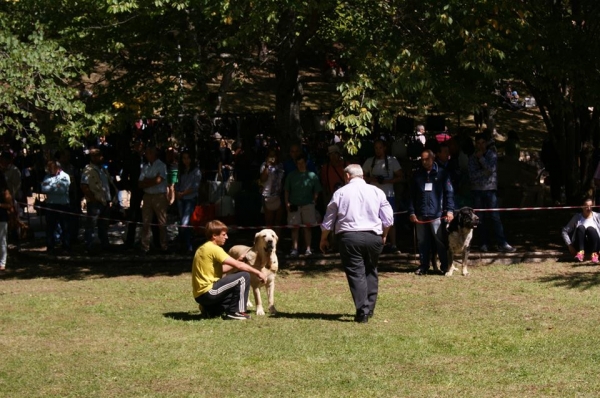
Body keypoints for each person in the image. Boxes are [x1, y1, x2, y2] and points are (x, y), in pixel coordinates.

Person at [319, 164, 394, 323]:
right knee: (371, 270)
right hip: (374, 236)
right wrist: (385, 235)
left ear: (347, 176)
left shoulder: (340, 193)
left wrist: (323, 238)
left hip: (349, 238)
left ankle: (362, 311)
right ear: (362, 175)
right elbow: (388, 218)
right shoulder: (377, 191)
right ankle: (370, 308)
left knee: (356, 273)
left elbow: (328, 220)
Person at [192, 220, 268, 320]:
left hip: (200, 296)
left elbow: (221, 269)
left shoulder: (203, 248)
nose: (226, 237)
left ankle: (209, 309)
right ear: (214, 235)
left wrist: (238, 260)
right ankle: (236, 312)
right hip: (209, 292)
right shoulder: (214, 249)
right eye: (223, 234)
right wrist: (258, 273)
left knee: (233, 295)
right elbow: (239, 266)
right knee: (243, 276)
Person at [408, 149, 455, 275]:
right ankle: (424, 266)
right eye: (422, 159)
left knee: (440, 240)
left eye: (427, 159)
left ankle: (445, 266)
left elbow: (449, 193)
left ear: (433, 159)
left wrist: (449, 210)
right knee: (422, 241)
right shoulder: (417, 175)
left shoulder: (443, 174)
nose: (424, 162)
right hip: (420, 214)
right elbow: (411, 195)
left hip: (437, 214)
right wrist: (412, 212)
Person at [468, 132, 516, 253]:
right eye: (478, 143)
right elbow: (472, 176)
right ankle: (483, 243)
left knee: (495, 217)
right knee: (480, 218)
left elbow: (491, 170)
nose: (480, 146)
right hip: (477, 190)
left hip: (490, 190)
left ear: (486, 143)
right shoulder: (472, 157)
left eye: (483, 143)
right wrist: (484, 172)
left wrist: (482, 159)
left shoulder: (492, 155)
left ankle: (502, 243)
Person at [362, 139, 403, 252]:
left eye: (380, 148)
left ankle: (393, 244)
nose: (378, 150)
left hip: (388, 194)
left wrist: (388, 181)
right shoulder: (369, 161)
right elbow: (361, 176)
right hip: (372, 195)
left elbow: (400, 176)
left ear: (385, 148)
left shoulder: (392, 161)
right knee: (373, 219)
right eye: (376, 148)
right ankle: (375, 244)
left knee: (391, 219)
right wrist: (372, 179)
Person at [284, 152, 322, 257]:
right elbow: (286, 190)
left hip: (308, 205)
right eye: (298, 163)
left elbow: (317, 190)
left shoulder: (312, 175)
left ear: (306, 163)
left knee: (307, 228)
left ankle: (308, 249)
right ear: (296, 164)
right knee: (294, 228)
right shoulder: (291, 175)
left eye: (302, 163)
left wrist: (314, 201)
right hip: (294, 205)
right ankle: (295, 249)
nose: (300, 165)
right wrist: (287, 202)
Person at [81, 148, 117, 253]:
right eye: (98, 155)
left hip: (105, 201)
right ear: (93, 157)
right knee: (91, 225)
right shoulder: (88, 170)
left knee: (104, 225)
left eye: (101, 155)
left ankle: (105, 244)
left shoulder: (103, 170)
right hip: (95, 202)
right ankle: (89, 245)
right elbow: (84, 186)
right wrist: (93, 199)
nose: (101, 157)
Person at [138, 145, 169, 254]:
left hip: (159, 196)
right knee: (145, 222)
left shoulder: (162, 166)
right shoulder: (145, 167)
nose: (147, 155)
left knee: (161, 222)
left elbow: (159, 180)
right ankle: (145, 246)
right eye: (146, 153)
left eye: (149, 153)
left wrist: (148, 181)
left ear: (154, 154)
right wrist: (150, 181)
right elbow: (140, 183)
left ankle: (164, 246)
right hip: (147, 196)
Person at [41, 160, 71, 254]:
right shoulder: (47, 176)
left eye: (51, 168)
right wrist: (55, 185)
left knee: (64, 227)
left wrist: (50, 186)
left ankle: (66, 247)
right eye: (48, 168)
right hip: (50, 204)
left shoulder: (65, 176)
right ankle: (50, 247)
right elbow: (44, 189)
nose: (49, 170)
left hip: (62, 205)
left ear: (58, 168)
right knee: (50, 227)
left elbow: (62, 190)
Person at [175, 150, 202, 252]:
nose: (186, 160)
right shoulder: (181, 170)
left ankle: (188, 245)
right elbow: (177, 183)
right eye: (184, 158)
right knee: (182, 221)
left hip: (190, 198)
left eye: (188, 158)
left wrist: (183, 193)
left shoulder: (196, 171)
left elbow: (195, 187)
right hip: (181, 198)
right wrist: (177, 192)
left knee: (184, 222)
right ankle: (184, 243)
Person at [562, 197, 600, 263]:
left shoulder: (597, 216)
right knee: (581, 227)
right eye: (586, 206)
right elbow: (564, 231)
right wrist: (569, 245)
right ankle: (580, 253)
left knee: (591, 229)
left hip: (594, 244)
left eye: (591, 206)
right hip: (580, 244)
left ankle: (595, 254)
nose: (589, 208)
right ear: (582, 206)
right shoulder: (577, 217)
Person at [259, 147, 284, 230]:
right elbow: (263, 179)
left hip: (278, 195)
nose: (272, 158)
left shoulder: (281, 166)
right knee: (269, 222)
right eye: (270, 156)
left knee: (278, 222)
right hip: (267, 195)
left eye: (274, 155)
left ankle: (277, 241)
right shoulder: (264, 165)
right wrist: (267, 166)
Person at [0, 172, 12, 271]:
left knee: (2, 241)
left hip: (1, 217)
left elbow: (9, 206)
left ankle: (2, 263)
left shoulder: (5, 192)